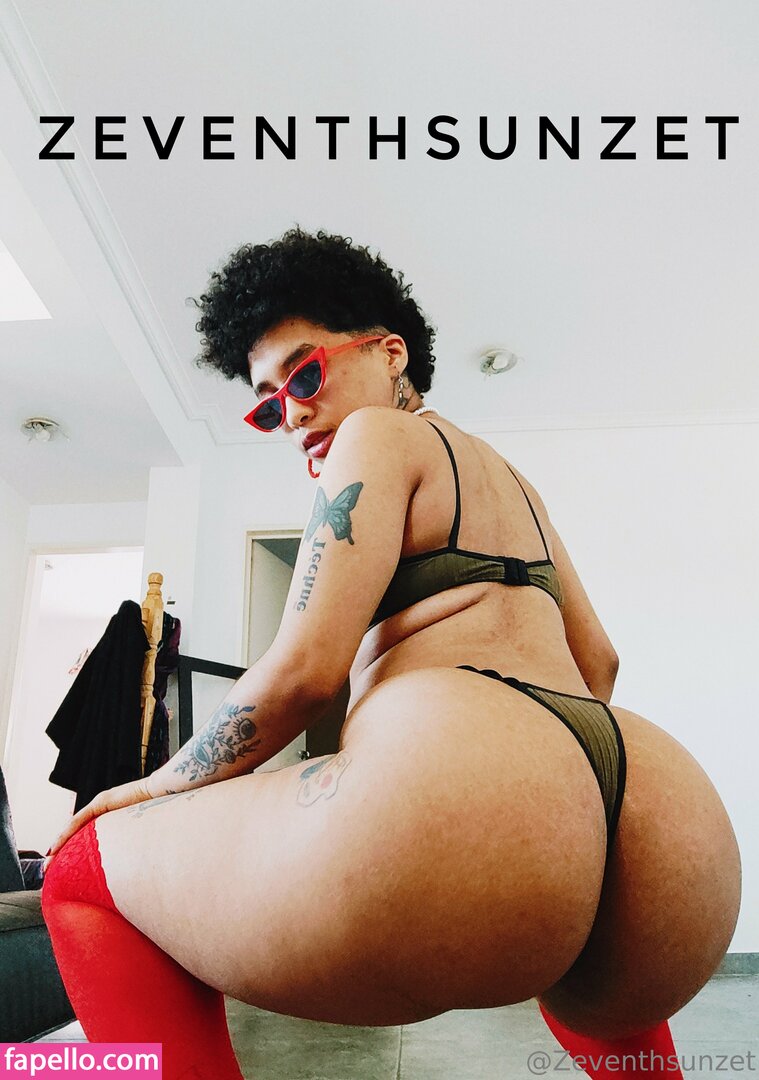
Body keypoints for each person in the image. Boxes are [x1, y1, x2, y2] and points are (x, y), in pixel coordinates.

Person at [42, 228, 741, 1080]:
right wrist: (545, 803)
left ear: (389, 353)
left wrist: (149, 786)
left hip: (460, 800)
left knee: (79, 873)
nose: (293, 413)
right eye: (268, 406)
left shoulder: (372, 434)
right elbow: (598, 662)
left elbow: (304, 673)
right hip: (657, 818)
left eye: (304, 375)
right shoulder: (517, 485)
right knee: (614, 1025)